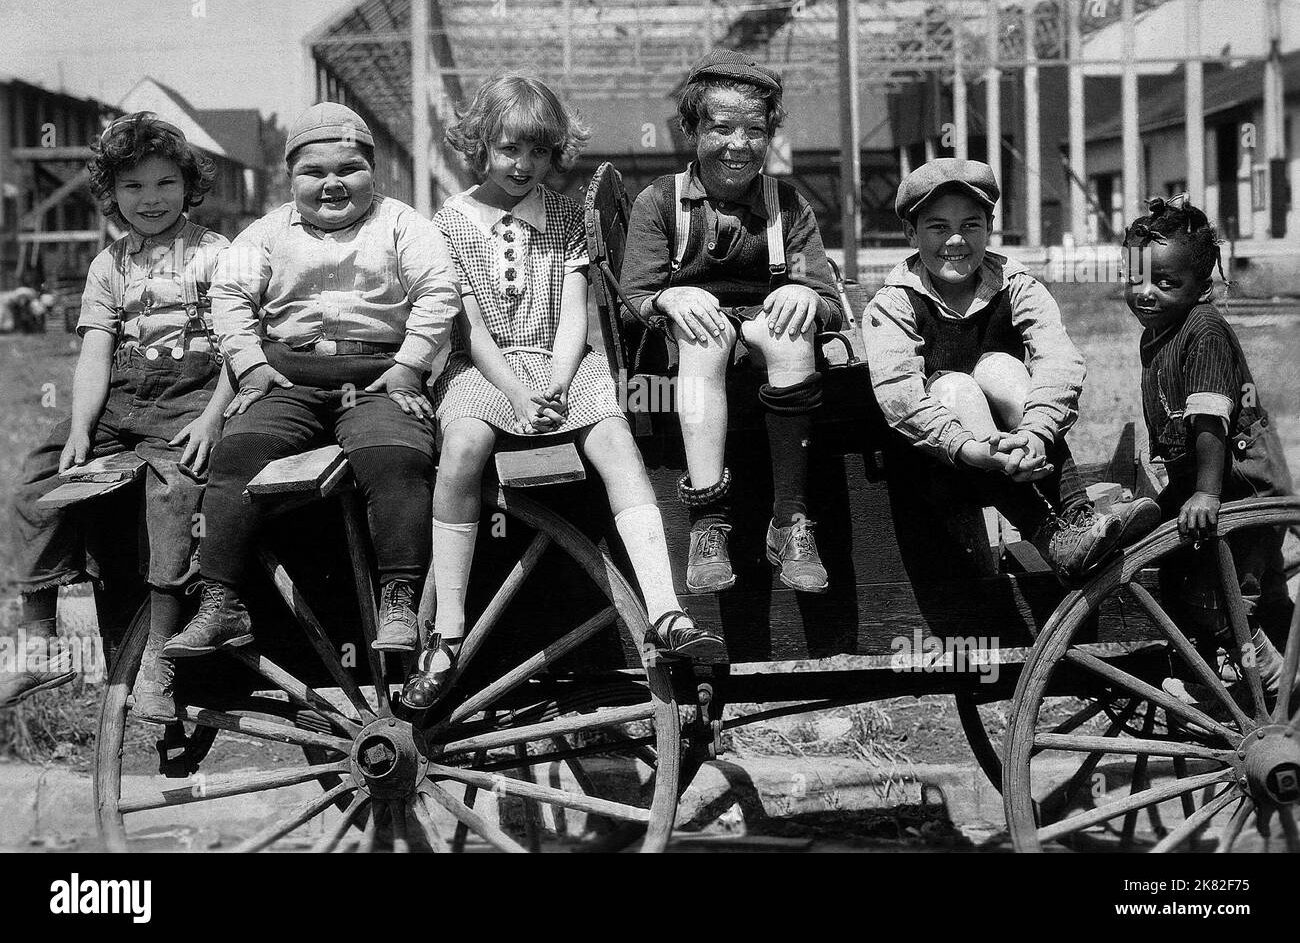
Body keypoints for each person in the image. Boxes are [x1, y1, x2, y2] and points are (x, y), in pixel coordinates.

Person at [403, 73, 725, 710]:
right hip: (486, 368)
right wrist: (519, 396)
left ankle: (664, 610)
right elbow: (468, 328)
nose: (525, 165)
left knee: (615, 439)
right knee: (463, 445)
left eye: (540, 152)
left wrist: (554, 376)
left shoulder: (569, 216)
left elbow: (574, 312)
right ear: (480, 146)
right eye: (509, 150)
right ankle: (445, 634)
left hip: (562, 361)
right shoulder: (450, 222)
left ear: (556, 154)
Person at [163, 102, 461, 660]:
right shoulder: (267, 232)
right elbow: (230, 297)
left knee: (395, 456)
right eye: (313, 173)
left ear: (373, 172)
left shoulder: (403, 225)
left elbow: (439, 293)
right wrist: (252, 366)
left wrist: (409, 365)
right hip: (288, 378)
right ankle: (221, 600)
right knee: (237, 453)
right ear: (289, 177)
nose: (331, 184)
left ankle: (398, 595)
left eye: (348, 169)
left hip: (379, 376)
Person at [5, 112, 235, 719]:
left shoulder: (219, 256)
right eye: (132, 187)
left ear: (187, 184)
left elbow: (241, 348)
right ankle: (38, 642)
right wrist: (81, 427)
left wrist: (214, 416)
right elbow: (96, 353)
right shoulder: (110, 265)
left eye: (164, 183)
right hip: (121, 401)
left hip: (193, 397)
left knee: (174, 492)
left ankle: (159, 651)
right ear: (111, 195)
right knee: (36, 479)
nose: (150, 199)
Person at [865, 158, 1159, 584]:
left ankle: (1078, 515)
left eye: (970, 225)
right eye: (937, 227)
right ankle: (1050, 536)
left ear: (989, 227)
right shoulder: (893, 305)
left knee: (1001, 367)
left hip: (1027, 452)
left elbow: (1058, 359)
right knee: (957, 387)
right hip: (943, 465)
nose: (955, 241)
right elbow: (899, 394)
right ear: (911, 234)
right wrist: (973, 448)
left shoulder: (1016, 284)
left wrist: (1035, 430)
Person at [619, 49, 844, 595]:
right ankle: (708, 521)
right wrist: (668, 302)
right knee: (706, 336)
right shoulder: (660, 201)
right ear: (691, 129)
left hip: (762, 332)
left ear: (770, 135)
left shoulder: (788, 205)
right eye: (721, 128)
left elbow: (832, 304)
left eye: (755, 130)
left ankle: (789, 519)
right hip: (692, 340)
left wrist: (805, 296)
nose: (738, 145)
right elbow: (635, 292)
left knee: (789, 331)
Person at [1121, 195, 1295, 708]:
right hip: (1206, 477)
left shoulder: (1204, 330)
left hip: (1240, 483)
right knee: (1208, 577)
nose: (1146, 293)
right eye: (1135, 279)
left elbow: (1209, 419)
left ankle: (1265, 675)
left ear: (1202, 288)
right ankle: (1265, 657)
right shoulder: (1157, 334)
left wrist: (1204, 493)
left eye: (1166, 283)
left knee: (1225, 593)